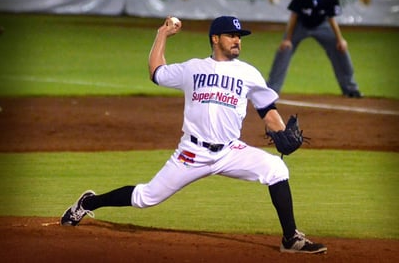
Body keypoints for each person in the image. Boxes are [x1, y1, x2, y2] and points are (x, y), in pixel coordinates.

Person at [60, 15, 327, 254]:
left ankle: (290, 238)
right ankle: (89, 202)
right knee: (146, 198)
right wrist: (162, 35)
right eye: (232, 35)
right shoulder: (192, 68)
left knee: (276, 168)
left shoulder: (248, 73)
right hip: (192, 152)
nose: (237, 40)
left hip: (230, 151)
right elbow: (156, 72)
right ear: (215, 38)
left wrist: (281, 130)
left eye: (239, 37)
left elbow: (267, 108)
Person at [266, 0, 363, 98]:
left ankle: (350, 89)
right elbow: (294, 16)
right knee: (284, 50)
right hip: (300, 26)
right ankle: (271, 89)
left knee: (340, 49)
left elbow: (331, 19)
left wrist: (340, 39)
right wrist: (287, 39)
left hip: (322, 26)